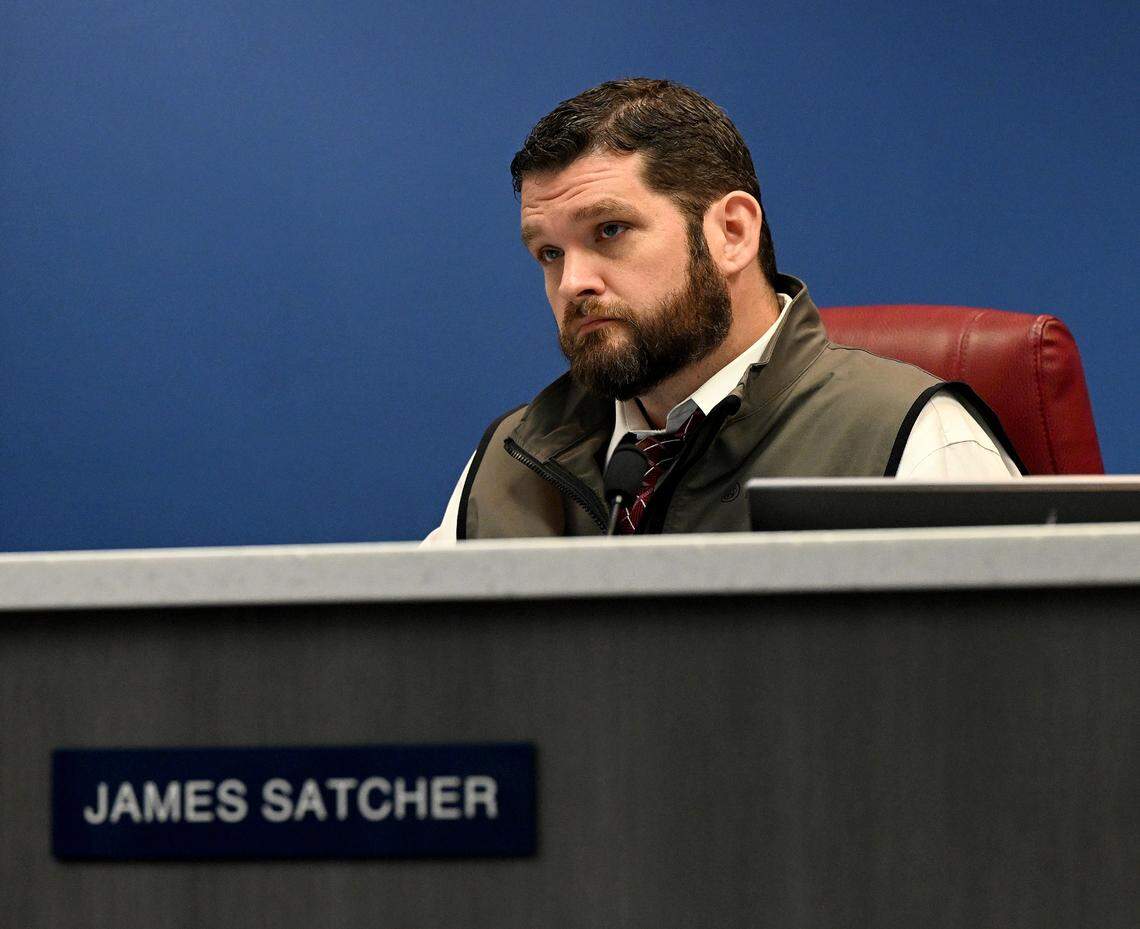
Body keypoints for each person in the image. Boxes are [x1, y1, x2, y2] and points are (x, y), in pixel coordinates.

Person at [425, 78, 1019, 542]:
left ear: (732, 233)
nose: (572, 283)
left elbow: (1012, 688)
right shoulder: (513, 460)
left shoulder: (913, 439)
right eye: (549, 253)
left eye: (609, 230)